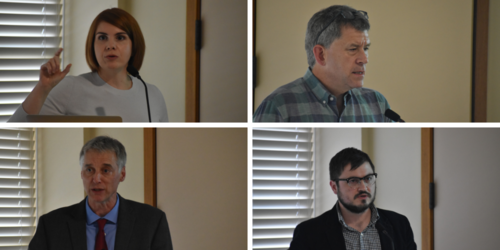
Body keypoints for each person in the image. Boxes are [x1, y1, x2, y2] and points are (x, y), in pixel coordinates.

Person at [9, 8, 168, 122]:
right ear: (92, 45)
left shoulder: (153, 95)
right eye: (102, 38)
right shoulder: (70, 87)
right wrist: (42, 88)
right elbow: (14, 127)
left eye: (120, 38)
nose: (110, 45)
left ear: (134, 45)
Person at [28, 136, 173, 249]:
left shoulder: (152, 222)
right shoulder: (51, 225)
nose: (96, 179)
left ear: (122, 174)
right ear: (81, 173)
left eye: (105, 170)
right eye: (89, 170)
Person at [253, 5, 391, 122]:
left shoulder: (377, 103)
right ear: (321, 55)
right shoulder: (278, 106)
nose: (364, 59)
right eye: (353, 49)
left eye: (365, 48)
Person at [289, 148, 416, 249]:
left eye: (368, 178)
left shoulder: (399, 225)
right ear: (334, 187)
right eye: (353, 181)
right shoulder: (309, 233)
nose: (363, 187)